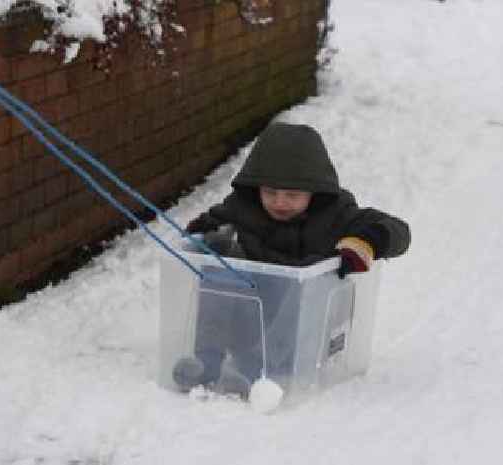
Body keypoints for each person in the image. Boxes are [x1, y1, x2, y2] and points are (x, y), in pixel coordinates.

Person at [172, 122, 411, 397]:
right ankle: (207, 362)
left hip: (306, 335)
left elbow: (398, 231)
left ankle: (259, 371)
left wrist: (366, 242)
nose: (279, 202)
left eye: (292, 195)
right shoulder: (242, 206)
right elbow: (210, 223)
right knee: (220, 256)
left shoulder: (336, 213)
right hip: (252, 320)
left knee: (311, 272)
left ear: (315, 191)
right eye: (270, 192)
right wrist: (202, 236)